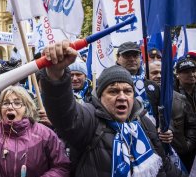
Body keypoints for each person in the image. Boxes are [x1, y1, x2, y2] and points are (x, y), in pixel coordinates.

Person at [39, 40, 185, 177]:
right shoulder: (90, 119)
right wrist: (55, 76)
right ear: (100, 96)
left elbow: (164, 165)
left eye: (127, 91)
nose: (122, 97)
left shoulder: (144, 123)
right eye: (113, 91)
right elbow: (65, 116)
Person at [149, 61, 196, 172]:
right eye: (155, 73)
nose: (159, 76)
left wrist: (187, 145)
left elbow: (192, 125)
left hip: (181, 157)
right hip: (153, 159)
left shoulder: (179, 98)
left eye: (162, 72)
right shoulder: (139, 99)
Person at [116, 41, 160, 125]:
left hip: (151, 134)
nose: (132, 59)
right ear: (118, 58)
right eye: (127, 55)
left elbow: (162, 113)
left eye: (135, 55)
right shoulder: (109, 84)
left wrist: (165, 129)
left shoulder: (153, 86)